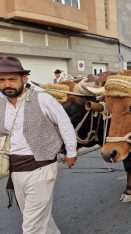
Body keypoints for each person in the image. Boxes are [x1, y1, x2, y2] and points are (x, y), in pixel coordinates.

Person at [0, 56, 77, 234]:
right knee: (39, 218)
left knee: (32, 227)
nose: (7, 84)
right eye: (2, 80)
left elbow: (64, 124)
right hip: (15, 169)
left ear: (24, 79)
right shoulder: (2, 104)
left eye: (12, 79)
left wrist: (71, 152)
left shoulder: (43, 99)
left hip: (41, 168)